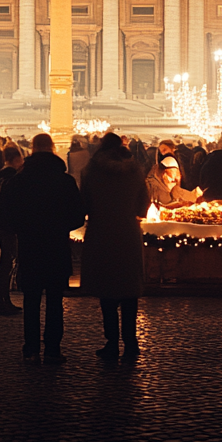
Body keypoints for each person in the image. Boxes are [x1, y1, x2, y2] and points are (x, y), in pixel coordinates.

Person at [0, 132, 85, 363]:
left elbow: (5, 216)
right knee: (55, 300)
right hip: (56, 246)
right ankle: (53, 348)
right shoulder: (65, 181)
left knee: (31, 299)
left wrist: (24, 228)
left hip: (30, 245)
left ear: (32, 150)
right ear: (53, 149)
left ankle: (31, 346)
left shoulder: (18, 181)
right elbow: (78, 217)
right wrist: (59, 226)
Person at [80, 131, 151, 361]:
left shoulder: (92, 173)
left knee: (107, 293)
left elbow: (84, 205)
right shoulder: (135, 172)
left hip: (102, 233)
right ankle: (131, 343)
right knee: (129, 292)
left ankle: (111, 342)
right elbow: (143, 206)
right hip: (128, 234)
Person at [0, 143, 25, 315]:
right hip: (9, 223)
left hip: (3, 222)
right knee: (7, 262)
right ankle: (0, 301)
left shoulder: (2, 175)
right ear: (15, 158)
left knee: (7, 261)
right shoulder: (11, 176)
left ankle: (3, 299)